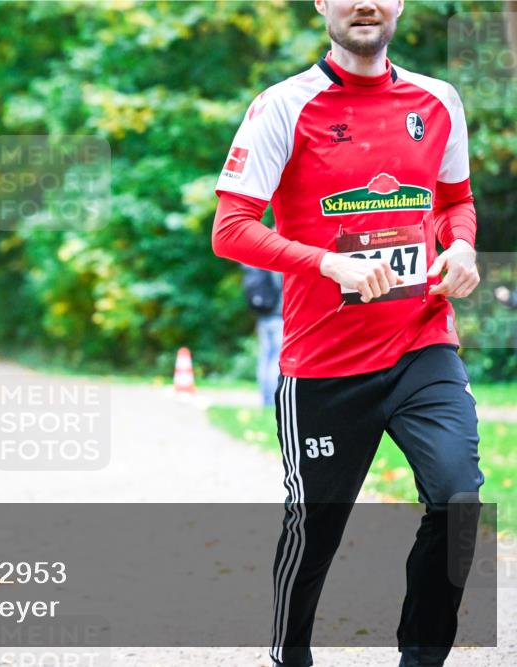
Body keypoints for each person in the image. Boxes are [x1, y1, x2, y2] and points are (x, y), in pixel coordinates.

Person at [210, 1, 484, 666]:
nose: (365, 2)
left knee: (458, 499)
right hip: (325, 361)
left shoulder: (438, 101)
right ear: (321, 4)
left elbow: (454, 202)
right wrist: (327, 262)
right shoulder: (284, 106)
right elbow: (231, 228)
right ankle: (289, 654)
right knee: (317, 527)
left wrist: (463, 246)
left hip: (422, 343)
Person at [242, 264, 284, 407]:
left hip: (263, 317)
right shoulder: (274, 268)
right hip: (278, 318)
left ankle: (265, 398)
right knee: (276, 358)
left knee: (265, 357)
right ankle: (271, 400)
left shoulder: (255, 267)